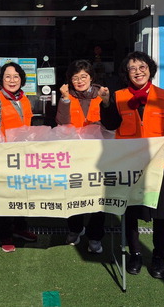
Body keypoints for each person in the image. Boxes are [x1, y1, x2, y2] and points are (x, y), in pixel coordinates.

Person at [99, 51, 164, 279]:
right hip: (131, 166)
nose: (138, 72)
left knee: (162, 215)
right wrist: (106, 102)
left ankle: (158, 258)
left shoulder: (163, 95)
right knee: (131, 213)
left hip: (161, 164)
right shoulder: (118, 96)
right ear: (126, 73)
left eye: (142, 67)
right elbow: (110, 124)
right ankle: (135, 255)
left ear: (150, 69)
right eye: (132, 68)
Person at [56, 59, 109, 254]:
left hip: (99, 155)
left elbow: (112, 122)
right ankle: (75, 229)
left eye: (84, 76)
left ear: (91, 77)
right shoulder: (67, 96)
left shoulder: (102, 94)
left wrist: (107, 101)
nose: (80, 81)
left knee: (98, 197)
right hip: (74, 155)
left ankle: (95, 236)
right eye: (75, 77)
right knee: (73, 193)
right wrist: (65, 99)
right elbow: (61, 123)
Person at [0, 61, 38, 252]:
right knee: (4, 195)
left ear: (21, 79)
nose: (12, 80)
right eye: (7, 76)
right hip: (3, 155)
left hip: (23, 153)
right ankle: (5, 235)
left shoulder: (24, 99)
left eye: (16, 76)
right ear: (2, 80)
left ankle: (20, 228)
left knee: (22, 193)